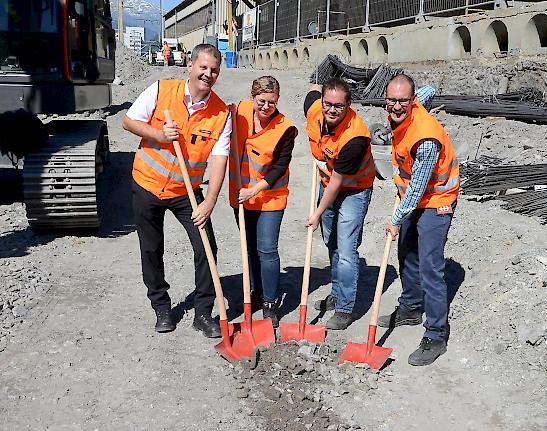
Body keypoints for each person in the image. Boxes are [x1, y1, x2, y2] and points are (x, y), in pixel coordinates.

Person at [122, 44, 231, 338]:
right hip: (147, 184)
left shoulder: (221, 113)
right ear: (191, 66)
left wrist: (209, 201)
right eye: (203, 67)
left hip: (186, 191)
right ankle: (161, 307)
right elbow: (128, 121)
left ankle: (204, 313)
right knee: (151, 248)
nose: (208, 74)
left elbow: (220, 159)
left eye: (214, 70)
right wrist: (158, 134)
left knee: (206, 246)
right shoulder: (161, 90)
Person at [378, 74, 459, 366]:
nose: (396, 107)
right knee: (406, 253)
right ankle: (411, 307)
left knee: (430, 267)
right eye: (392, 100)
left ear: (411, 102)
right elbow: (430, 88)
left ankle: (436, 335)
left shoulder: (425, 140)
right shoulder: (415, 103)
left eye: (403, 101)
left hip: (437, 199)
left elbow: (415, 193)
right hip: (417, 196)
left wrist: (396, 220)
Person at [304, 78, 376, 330]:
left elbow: (336, 184)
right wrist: (315, 86)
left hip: (355, 189)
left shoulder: (355, 137)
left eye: (338, 106)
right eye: (327, 104)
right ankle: (337, 291)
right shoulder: (315, 110)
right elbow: (311, 92)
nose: (332, 110)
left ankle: (345, 308)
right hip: (329, 183)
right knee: (331, 242)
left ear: (349, 105)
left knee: (346, 249)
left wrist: (317, 213)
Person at [229, 76, 298, 328]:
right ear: (252, 97)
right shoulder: (240, 112)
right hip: (240, 197)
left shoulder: (286, 129)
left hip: (270, 198)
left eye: (271, 102)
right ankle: (255, 293)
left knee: (267, 249)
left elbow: (279, 167)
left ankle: (270, 302)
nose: (266, 106)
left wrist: (253, 191)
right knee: (249, 248)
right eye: (261, 101)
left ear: (278, 100)